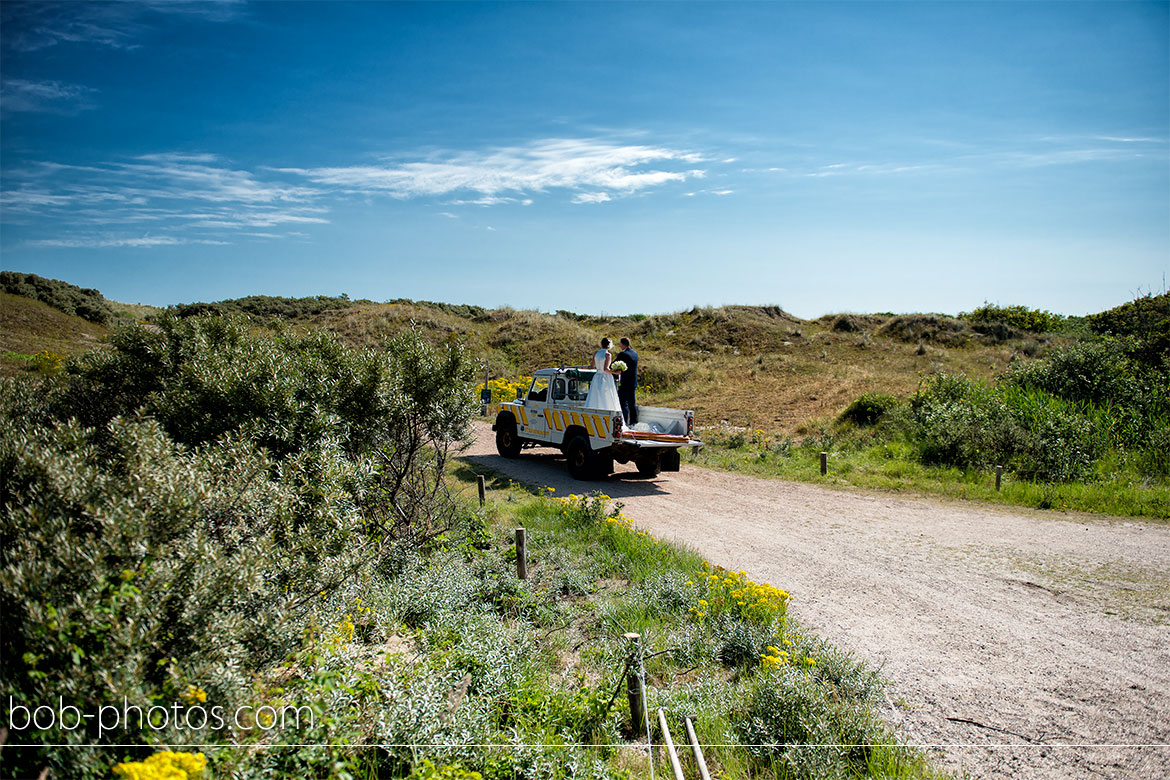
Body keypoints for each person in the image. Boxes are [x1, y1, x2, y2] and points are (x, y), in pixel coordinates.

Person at [585, 337, 622, 413]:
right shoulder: (607, 355)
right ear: (609, 346)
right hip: (605, 377)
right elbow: (606, 369)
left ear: (601, 344)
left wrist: (588, 367)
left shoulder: (596, 353)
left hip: (597, 376)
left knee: (595, 395)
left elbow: (591, 366)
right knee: (606, 396)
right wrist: (616, 372)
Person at [615, 337, 638, 425]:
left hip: (625, 382)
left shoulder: (623, 354)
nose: (619, 345)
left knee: (623, 402)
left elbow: (614, 364)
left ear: (623, 344)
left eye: (620, 344)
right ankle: (633, 422)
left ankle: (624, 421)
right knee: (632, 403)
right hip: (633, 382)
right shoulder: (635, 353)